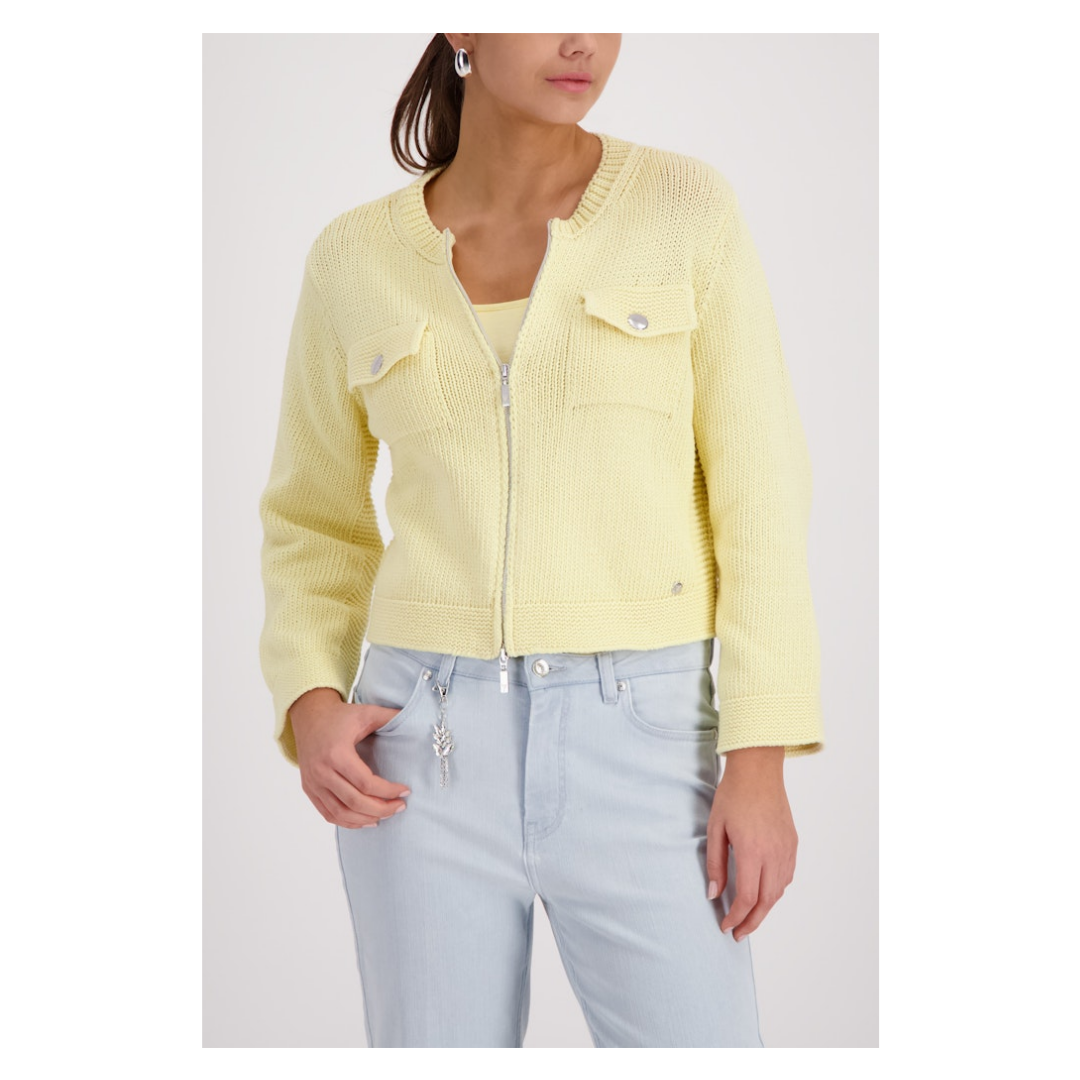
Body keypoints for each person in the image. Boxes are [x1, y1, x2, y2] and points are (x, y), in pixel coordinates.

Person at [258, 33, 824, 1049]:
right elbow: (313, 516)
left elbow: (762, 496)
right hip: (417, 754)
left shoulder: (686, 209)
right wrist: (310, 697)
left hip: (646, 739)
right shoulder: (353, 257)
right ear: (462, 27)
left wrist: (759, 757)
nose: (583, 40)